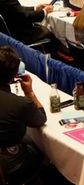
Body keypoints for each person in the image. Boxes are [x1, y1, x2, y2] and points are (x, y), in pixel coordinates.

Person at [0, 46, 47, 184]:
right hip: (10, 163)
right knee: (44, 151)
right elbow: (40, 119)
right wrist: (29, 93)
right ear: (15, 76)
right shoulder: (19, 104)